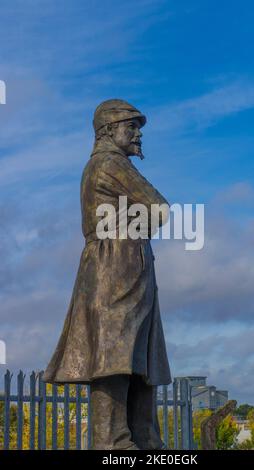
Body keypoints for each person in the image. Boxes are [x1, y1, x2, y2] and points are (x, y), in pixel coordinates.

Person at [43, 99, 171, 450]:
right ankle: (114, 441)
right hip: (118, 261)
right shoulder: (110, 163)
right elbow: (160, 209)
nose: (138, 134)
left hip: (123, 260)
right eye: (131, 126)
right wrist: (134, 225)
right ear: (107, 131)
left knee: (138, 353)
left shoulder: (106, 164)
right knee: (117, 351)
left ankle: (141, 436)